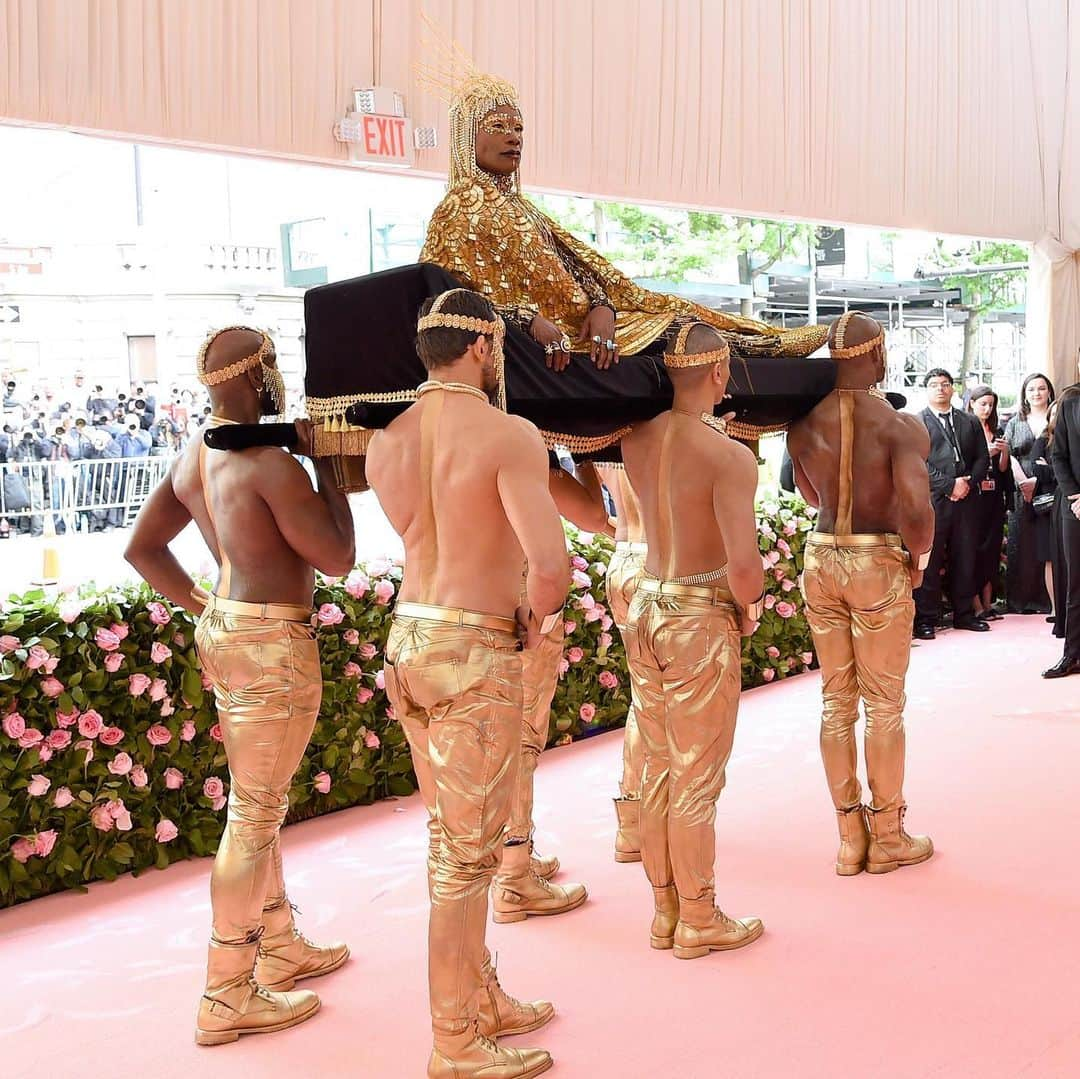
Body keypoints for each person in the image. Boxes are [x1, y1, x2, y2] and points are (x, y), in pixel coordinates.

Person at [125, 326, 355, 1046]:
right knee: (253, 813)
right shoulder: (270, 464)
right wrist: (328, 469)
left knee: (259, 798)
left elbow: (143, 548)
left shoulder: (196, 455)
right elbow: (340, 557)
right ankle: (226, 991)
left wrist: (203, 603)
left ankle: (278, 941)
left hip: (227, 627)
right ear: (261, 378)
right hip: (270, 640)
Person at [367, 288, 567, 1079]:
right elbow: (550, 566)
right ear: (483, 347)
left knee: (454, 841)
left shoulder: (388, 441)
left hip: (407, 635)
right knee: (463, 855)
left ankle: (480, 996)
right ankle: (455, 1040)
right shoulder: (507, 433)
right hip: (474, 646)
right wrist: (529, 612)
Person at [417, 52, 825, 371]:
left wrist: (603, 307)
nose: (513, 137)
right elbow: (446, 301)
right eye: (498, 126)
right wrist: (527, 320)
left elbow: (576, 269)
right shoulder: (456, 211)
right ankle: (769, 348)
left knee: (673, 307)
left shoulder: (522, 207)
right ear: (467, 137)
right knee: (678, 329)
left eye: (519, 127)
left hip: (589, 325)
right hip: (555, 338)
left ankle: (769, 338)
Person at [620, 323, 765, 960]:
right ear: (717, 372)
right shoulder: (730, 457)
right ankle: (699, 917)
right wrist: (751, 606)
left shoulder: (637, 440)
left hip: (647, 606)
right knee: (696, 776)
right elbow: (743, 565)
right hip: (698, 616)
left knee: (655, 770)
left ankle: (665, 911)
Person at [787, 313, 935, 875]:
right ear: (876, 356)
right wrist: (915, 558)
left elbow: (806, 492)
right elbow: (918, 514)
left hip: (823, 553)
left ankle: (850, 837)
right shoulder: (899, 426)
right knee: (884, 704)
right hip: (876, 557)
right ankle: (889, 833)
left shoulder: (802, 425)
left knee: (835, 700)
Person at [491, 462, 606, 924]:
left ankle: (506, 854)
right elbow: (593, 517)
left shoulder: (434, 439)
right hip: (518, 608)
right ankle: (514, 876)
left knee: (490, 743)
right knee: (520, 740)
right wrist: (584, 453)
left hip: (451, 609)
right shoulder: (520, 447)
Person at [595, 462, 648, 862]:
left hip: (622, 558)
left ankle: (632, 821)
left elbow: (592, 511)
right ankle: (658, 815)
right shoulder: (666, 428)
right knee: (670, 699)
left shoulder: (602, 428)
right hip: (661, 563)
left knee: (643, 694)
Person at [913, 369, 990, 638]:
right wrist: (949, 485)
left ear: (953, 389)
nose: (940, 389)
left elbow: (983, 458)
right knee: (930, 560)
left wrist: (968, 482)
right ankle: (926, 619)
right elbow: (916, 462)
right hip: (934, 500)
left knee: (965, 556)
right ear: (926, 389)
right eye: (934, 385)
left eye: (945, 384)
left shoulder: (969, 421)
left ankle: (964, 614)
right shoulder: (916, 422)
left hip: (967, 498)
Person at [1005, 373, 1056, 614]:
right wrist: (1024, 481)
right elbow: (1010, 454)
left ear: (1049, 392)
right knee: (1021, 541)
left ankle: (1050, 602)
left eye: (1041, 388)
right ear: (1025, 394)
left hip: (1050, 486)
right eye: (1031, 389)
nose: (1036, 393)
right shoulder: (1015, 421)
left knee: (1047, 543)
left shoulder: (1057, 418)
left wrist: (1037, 480)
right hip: (1020, 487)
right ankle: (1020, 601)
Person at [967, 386, 1011, 620]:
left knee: (991, 550)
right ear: (972, 403)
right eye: (982, 403)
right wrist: (987, 454)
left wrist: (1003, 452)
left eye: (990, 404)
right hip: (973, 496)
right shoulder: (965, 428)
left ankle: (987, 602)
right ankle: (975, 605)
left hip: (994, 496)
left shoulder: (997, 429)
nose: (987, 408)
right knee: (973, 549)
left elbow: (1004, 469)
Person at [1047, 378, 1080, 676]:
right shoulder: (1071, 402)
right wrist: (1075, 496)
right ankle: (1072, 654)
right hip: (1076, 507)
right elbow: (1058, 455)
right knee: (1075, 583)